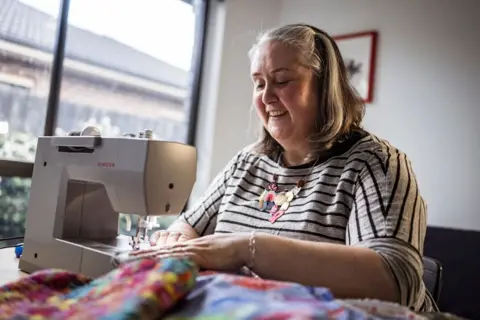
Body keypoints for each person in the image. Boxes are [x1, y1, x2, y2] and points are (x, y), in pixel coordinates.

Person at [131, 23, 435, 312]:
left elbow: (396, 279)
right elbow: (189, 225)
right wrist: (177, 244)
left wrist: (247, 248)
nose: (265, 96)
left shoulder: (374, 163)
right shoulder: (247, 162)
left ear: (325, 87)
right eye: (259, 83)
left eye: (282, 80)